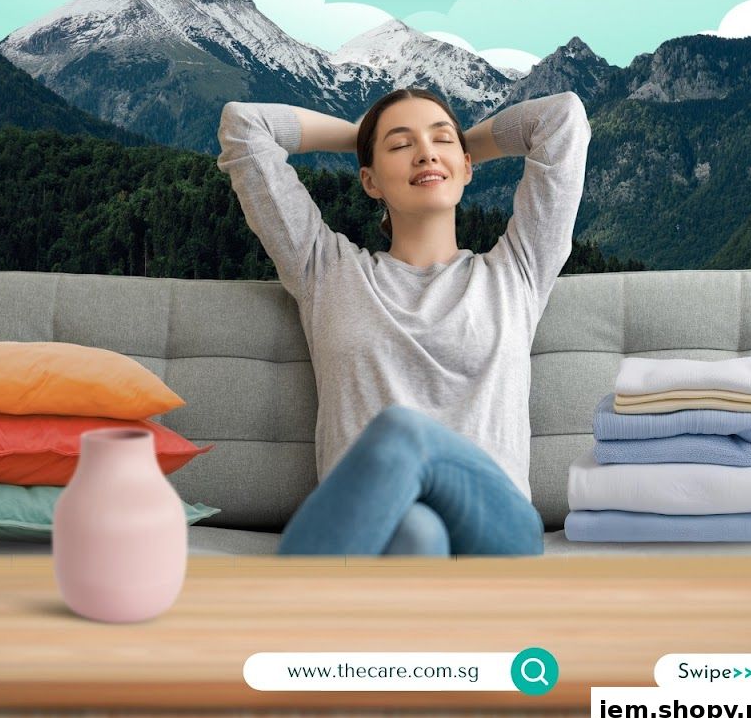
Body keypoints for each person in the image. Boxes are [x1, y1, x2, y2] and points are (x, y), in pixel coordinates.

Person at [216, 86, 591, 555]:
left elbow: (561, 118)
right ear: (370, 181)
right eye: (400, 145)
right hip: (377, 530)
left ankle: (296, 599)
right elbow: (245, 127)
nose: (425, 154)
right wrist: (362, 138)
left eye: (440, 141)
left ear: (468, 165)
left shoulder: (518, 270)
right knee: (417, 531)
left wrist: (456, 145)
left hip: (497, 529)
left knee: (403, 431)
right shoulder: (327, 272)